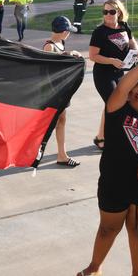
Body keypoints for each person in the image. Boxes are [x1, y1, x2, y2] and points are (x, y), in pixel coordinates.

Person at [76, 46, 138, 276]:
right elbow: (121, 87)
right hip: (115, 184)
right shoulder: (118, 111)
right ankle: (95, 268)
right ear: (131, 93)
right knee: (108, 229)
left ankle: (137, 274)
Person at [89, 0, 138, 151]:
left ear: (119, 12)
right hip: (103, 74)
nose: (108, 15)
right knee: (115, 104)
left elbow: (132, 42)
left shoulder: (124, 27)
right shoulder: (99, 32)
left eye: (112, 11)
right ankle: (117, 137)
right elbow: (93, 56)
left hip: (119, 73)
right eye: (105, 12)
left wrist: (135, 52)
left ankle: (101, 138)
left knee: (111, 104)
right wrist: (111, 61)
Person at [43, 16, 83, 168]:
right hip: (53, 90)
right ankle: (59, 154)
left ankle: (62, 154)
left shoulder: (61, 43)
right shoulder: (49, 46)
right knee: (49, 123)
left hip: (61, 89)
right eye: (68, 31)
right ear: (63, 31)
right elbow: (49, 68)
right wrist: (65, 55)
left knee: (61, 120)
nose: (69, 34)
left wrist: (70, 55)